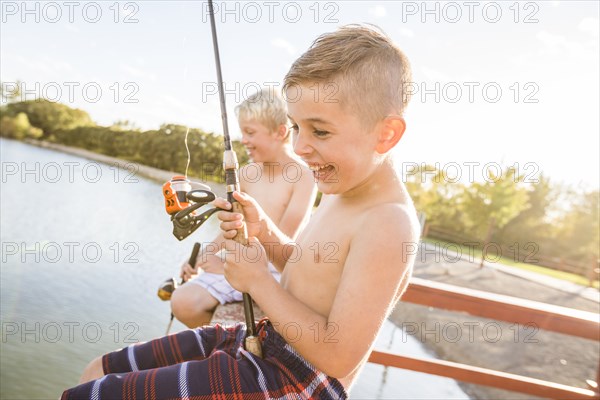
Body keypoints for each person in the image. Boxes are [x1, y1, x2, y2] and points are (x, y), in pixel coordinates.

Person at [62, 24, 419, 399]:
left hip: (298, 379)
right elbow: (306, 269)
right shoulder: (341, 189)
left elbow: (338, 354)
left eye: (320, 132)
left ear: (386, 134)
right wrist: (264, 232)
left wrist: (258, 283)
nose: (299, 146)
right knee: (97, 371)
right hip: (267, 341)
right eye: (297, 127)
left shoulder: (388, 222)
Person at [171, 88, 317, 328]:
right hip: (240, 262)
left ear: (280, 132)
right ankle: (223, 340)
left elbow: (286, 239)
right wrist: (204, 256)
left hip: (279, 272)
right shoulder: (246, 173)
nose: (243, 140)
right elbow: (233, 226)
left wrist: (227, 265)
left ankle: (234, 343)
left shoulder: (303, 176)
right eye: (242, 132)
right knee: (182, 301)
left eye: (250, 132)